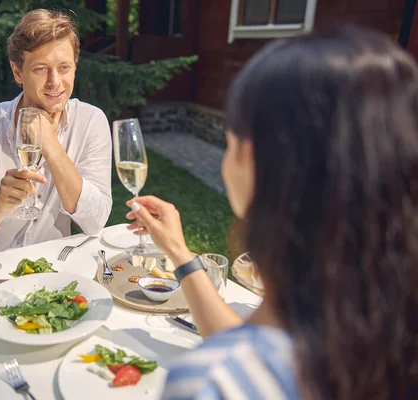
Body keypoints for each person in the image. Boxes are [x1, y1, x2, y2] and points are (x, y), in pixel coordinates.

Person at [127, 25, 418, 399]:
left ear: (252, 161)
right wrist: (181, 255)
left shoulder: (212, 382)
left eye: (229, 139)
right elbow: (258, 340)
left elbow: (247, 359)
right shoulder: (378, 323)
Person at [0, 9, 112, 257]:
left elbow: (95, 221)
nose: (55, 81)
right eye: (41, 69)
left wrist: (51, 145)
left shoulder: (90, 121)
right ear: (18, 72)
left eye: (64, 67)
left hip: (56, 272)